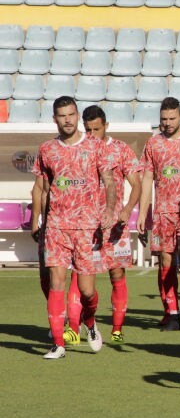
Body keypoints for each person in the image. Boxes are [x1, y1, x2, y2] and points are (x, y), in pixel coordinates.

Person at [30, 97, 117, 359]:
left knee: (88, 291)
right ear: (54, 118)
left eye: (70, 114)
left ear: (77, 115)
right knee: (56, 281)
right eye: (61, 115)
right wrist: (39, 220)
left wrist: (109, 211)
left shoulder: (95, 146)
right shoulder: (47, 149)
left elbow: (110, 182)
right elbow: (42, 188)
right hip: (57, 224)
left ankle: (89, 322)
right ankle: (58, 343)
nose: (67, 119)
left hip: (87, 227)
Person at [137, 98, 180, 331]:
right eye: (163, 119)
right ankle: (172, 312)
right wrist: (143, 213)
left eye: (172, 118)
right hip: (163, 212)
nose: (167, 123)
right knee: (165, 261)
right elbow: (146, 179)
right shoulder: (153, 144)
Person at [79, 105, 142, 344]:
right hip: (86, 225)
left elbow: (136, 183)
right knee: (83, 277)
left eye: (96, 129)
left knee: (117, 273)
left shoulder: (121, 149)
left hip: (115, 226)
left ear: (106, 125)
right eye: (88, 130)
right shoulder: (80, 150)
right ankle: (77, 326)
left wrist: (127, 210)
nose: (92, 134)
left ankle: (117, 328)